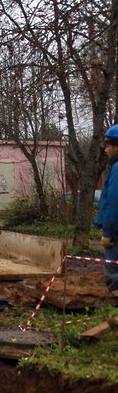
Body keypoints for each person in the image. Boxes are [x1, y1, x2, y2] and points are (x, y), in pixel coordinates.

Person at [94, 124, 118, 296]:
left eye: (108, 146)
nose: (106, 150)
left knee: (113, 267)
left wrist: (108, 232)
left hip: (116, 230)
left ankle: (114, 298)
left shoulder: (117, 169)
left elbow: (113, 202)